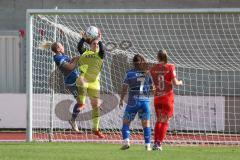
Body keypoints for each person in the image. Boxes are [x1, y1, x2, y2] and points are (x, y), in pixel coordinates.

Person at [119, 54, 154, 151]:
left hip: (133, 102)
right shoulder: (147, 73)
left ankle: (126, 141)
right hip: (145, 102)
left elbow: (124, 88)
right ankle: (148, 146)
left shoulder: (129, 73)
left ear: (133, 63)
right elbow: (153, 88)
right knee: (146, 124)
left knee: (126, 122)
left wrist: (121, 99)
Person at [150, 49, 183, 151]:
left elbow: (153, 86)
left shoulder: (153, 69)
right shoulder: (170, 67)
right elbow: (175, 82)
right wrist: (180, 82)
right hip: (167, 98)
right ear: (166, 57)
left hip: (157, 98)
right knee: (165, 121)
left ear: (157, 57)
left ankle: (155, 143)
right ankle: (159, 143)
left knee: (159, 120)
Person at [75, 30, 105, 138]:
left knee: (96, 105)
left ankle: (95, 129)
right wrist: (83, 37)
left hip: (94, 82)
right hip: (84, 78)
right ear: (90, 45)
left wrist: (99, 39)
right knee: (80, 80)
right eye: (94, 43)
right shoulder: (85, 52)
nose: (96, 45)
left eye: (97, 44)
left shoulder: (100, 54)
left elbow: (102, 48)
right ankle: (82, 103)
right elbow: (79, 47)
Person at [51, 42, 84, 132]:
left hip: (76, 78)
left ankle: (95, 100)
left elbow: (70, 63)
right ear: (58, 49)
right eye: (62, 45)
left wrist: (74, 58)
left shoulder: (64, 56)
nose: (63, 46)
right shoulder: (57, 58)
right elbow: (69, 68)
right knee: (80, 102)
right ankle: (73, 120)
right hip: (71, 82)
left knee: (86, 85)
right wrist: (76, 59)